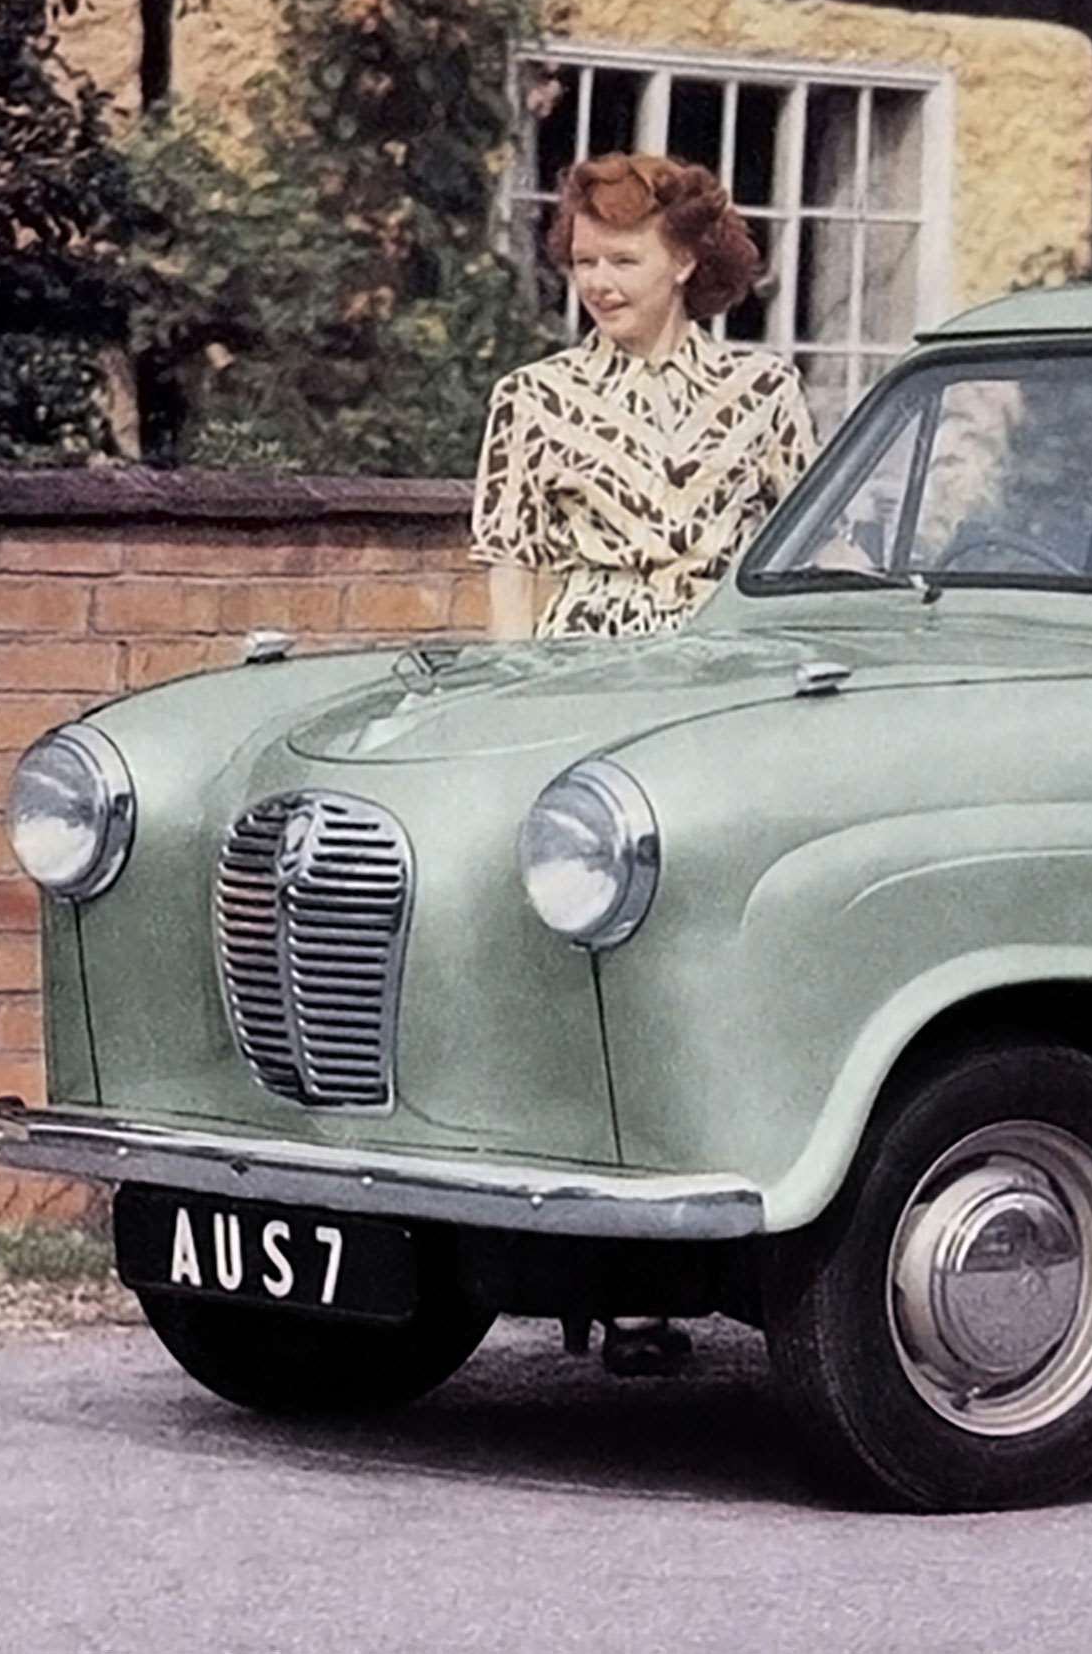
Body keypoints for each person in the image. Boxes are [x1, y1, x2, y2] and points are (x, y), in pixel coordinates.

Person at [469, 152, 818, 1375]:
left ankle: (747, 1235)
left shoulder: (767, 393)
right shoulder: (534, 398)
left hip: (720, 679)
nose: (598, 284)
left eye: (620, 260)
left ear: (684, 260)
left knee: (705, 960)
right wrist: (516, 700)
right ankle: (612, 1281)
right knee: (587, 969)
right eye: (581, 265)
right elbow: (510, 560)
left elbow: (797, 558)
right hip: (585, 680)